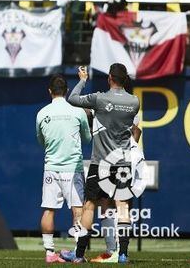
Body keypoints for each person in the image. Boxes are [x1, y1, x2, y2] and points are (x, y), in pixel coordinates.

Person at [62, 64, 140, 264]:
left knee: (89, 207)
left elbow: (71, 99)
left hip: (100, 163)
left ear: (110, 78)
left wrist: (82, 79)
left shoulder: (100, 98)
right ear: (124, 80)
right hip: (122, 164)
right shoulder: (134, 102)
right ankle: (123, 254)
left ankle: (79, 255)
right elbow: (134, 129)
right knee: (123, 208)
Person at [36, 74, 91, 264]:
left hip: (51, 167)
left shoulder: (42, 113)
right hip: (73, 168)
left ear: (50, 91)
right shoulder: (78, 112)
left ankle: (49, 253)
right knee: (77, 209)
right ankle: (78, 252)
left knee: (49, 209)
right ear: (67, 91)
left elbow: (41, 140)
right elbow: (87, 138)